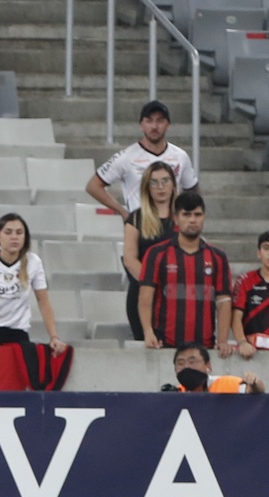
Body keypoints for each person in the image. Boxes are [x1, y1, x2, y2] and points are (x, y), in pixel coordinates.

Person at [139, 192, 232, 356]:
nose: (192, 220)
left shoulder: (218, 257)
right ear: (175, 219)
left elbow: (223, 301)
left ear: (204, 217)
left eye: (198, 214)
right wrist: (148, 332)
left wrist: (223, 340)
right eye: (186, 214)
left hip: (204, 349)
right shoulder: (157, 254)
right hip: (164, 346)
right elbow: (146, 297)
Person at [0, 213, 67, 356]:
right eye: (8, 232)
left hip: (17, 332)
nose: (14, 237)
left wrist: (54, 337)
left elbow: (43, 301)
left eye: (19, 233)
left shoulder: (33, 262)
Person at [86, 100, 199, 219]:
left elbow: (192, 188)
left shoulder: (180, 156)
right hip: (141, 228)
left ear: (168, 125)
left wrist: (185, 215)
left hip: (171, 227)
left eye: (160, 121)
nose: (154, 126)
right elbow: (93, 186)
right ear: (141, 125)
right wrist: (124, 213)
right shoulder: (126, 157)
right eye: (149, 121)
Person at [122, 161, 178, 341]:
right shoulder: (137, 218)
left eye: (165, 181)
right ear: (147, 187)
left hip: (177, 296)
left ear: (173, 184)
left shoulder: (183, 218)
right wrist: (153, 285)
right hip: (144, 295)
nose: (160, 187)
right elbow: (130, 259)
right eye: (154, 182)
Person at [232, 231, 269, 359]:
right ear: (258, 253)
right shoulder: (245, 280)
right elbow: (236, 316)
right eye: (266, 248)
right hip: (251, 349)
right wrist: (242, 342)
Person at [172, 343, 264, 394]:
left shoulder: (227, 384)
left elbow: (256, 392)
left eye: (192, 362)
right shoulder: (175, 393)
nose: (186, 366)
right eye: (180, 363)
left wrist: (255, 383)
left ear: (208, 365)